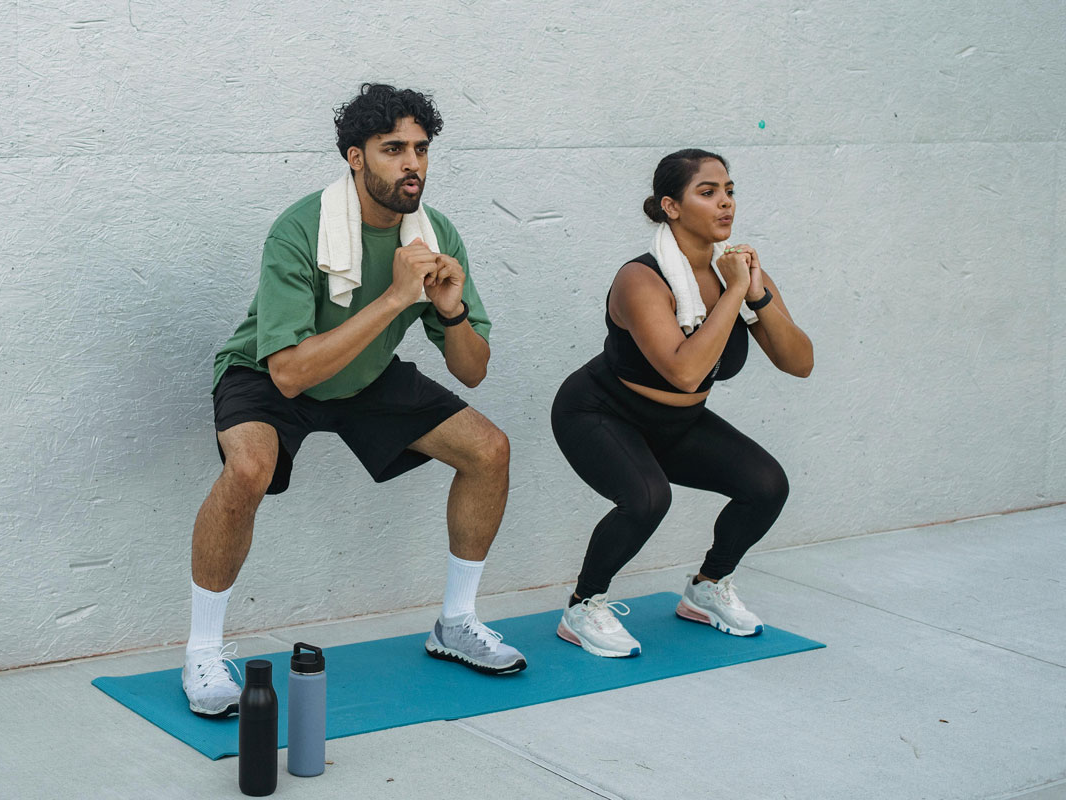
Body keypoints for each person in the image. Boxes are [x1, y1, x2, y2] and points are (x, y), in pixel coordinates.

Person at [183, 84, 526, 718]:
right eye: (392, 149)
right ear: (355, 157)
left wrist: (450, 312)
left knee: (489, 450)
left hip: (363, 374)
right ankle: (203, 650)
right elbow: (287, 374)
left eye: (421, 149)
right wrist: (397, 297)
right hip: (268, 371)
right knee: (248, 470)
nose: (412, 164)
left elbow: (473, 371)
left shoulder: (435, 232)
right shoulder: (300, 227)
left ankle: (456, 622)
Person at [550, 149, 813, 658]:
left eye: (730, 191)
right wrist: (737, 291)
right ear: (671, 206)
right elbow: (686, 371)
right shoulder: (640, 280)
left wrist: (755, 296)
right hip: (599, 411)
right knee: (647, 498)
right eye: (708, 192)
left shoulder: (738, 276)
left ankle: (706, 588)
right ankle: (583, 606)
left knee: (766, 485)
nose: (725, 204)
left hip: (676, 420)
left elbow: (799, 363)